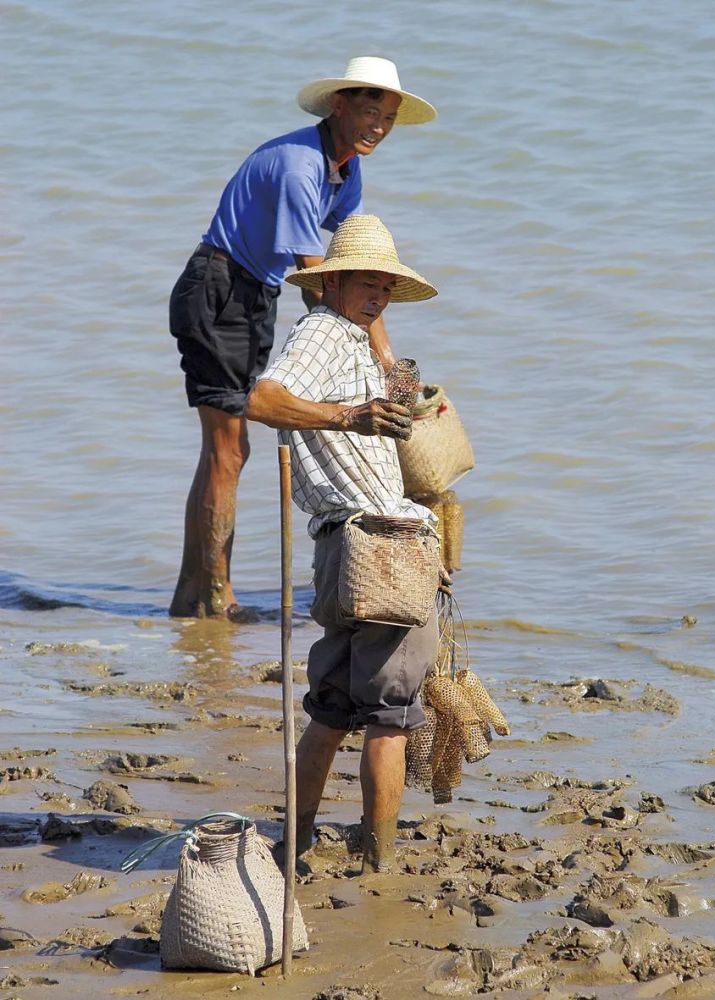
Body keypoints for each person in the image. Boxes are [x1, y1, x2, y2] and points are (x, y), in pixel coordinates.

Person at [168, 58, 437, 619]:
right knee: (229, 449)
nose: (378, 128)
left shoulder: (345, 169)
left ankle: (192, 595)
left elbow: (362, 266)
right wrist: (355, 355)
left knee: (227, 452)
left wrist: (390, 362)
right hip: (219, 288)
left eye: (387, 118)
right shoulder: (299, 167)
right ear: (338, 105)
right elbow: (321, 278)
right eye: (369, 112)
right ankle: (217, 600)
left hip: (254, 293)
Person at [245, 214, 440, 873]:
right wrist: (348, 416)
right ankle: (381, 859)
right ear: (330, 283)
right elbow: (263, 399)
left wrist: (395, 363)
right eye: (367, 283)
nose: (378, 296)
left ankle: (295, 840)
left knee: (331, 705)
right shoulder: (326, 333)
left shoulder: (357, 339)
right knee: (389, 715)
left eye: (387, 286)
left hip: (344, 546)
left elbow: (407, 411)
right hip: (383, 543)